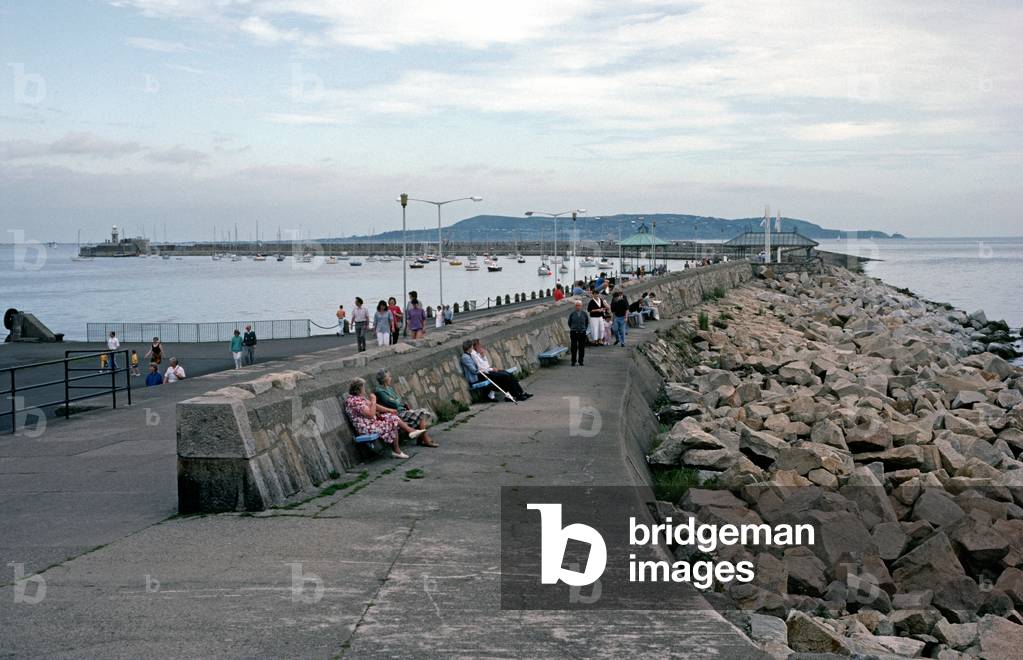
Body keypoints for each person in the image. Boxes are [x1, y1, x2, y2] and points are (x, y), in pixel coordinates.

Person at [344, 377, 423, 459]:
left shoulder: (358, 398)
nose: (364, 389)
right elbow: (371, 414)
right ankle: (398, 450)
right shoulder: (354, 402)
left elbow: (375, 406)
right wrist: (374, 400)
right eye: (363, 387)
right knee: (392, 422)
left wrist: (390, 410)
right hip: (366, 428)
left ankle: (411, 432)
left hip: (371, 423)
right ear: (359, 389)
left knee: (391, 416)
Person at [373, 369, 438, 447]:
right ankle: (426, 440)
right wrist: (397, 400)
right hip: (396, 414)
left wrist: (398, 401)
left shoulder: (389, 388)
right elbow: (395, 404)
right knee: (422, 412)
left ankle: (423, 439)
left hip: (402, 411)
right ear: (385, 379)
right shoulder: (380, 391)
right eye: (389, 376)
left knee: (421, 415)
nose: (391, 378)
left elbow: (398, 400)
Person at [568, 300, 588, 366]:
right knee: (573, 347)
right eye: (576, 305)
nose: (578, 307)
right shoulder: (572, 314)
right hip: (574, 332)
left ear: (581, 306)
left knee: (581, 347)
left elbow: (586, 323)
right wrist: (573, 328)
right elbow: (569, 323)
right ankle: (573, 361)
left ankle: (581, 361)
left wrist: (584, 329)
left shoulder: (584, 314)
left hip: (582, 332)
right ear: (575, 306)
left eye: (579, 305)